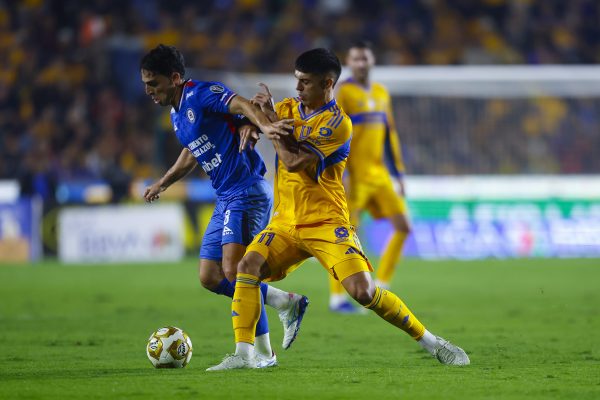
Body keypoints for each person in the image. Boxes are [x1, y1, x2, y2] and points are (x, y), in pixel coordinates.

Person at [207, 48, 470, 370]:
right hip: (285, 223)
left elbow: (294, 162)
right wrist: (252, 123)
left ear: (327, 84)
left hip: (326, 223)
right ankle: (245, 354)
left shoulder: (337, 124)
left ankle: (432, 342)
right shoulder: (286, 108)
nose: (298, 88)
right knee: (246, 267)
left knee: (363, 292)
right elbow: (250, 120)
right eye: (297, 80)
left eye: (305, 82)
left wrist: (270, 125)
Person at [140, 44, 309, 368]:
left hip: (246, 190)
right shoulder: (176, 114)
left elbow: (241, 103)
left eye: (154, 83)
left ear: (174, 78)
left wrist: (264, 126)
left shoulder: (200, 93)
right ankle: (284, 305)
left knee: (237, 270)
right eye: (146, 84)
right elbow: (192, 152)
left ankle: (253, 354)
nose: (149, 90)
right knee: (210, 276)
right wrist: (163, 182)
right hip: (226, 196)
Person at [328, 40, 412, 313]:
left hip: (379, 174)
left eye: (365, 58)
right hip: (353, 176)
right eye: (356, 59)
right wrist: (341, 174)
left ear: (372, 61)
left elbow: (390, 135)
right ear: (349, 63)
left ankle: (381, 285)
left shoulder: (381, 92)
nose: (361, 63)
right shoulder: (343, 92)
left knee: (403, 226)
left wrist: (398, 173)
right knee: (344, 236)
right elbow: (335, 135)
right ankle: (337, 298)